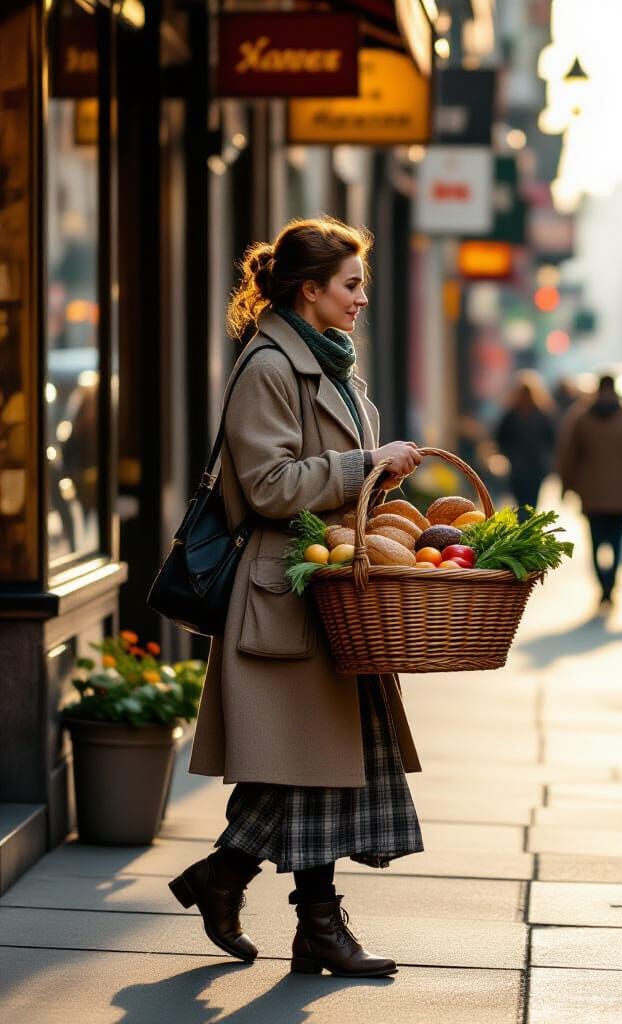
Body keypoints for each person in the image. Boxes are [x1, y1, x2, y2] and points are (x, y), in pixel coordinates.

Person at [173, 216, 425, 979]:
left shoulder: (333, 362)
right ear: (308, 289)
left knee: (318, 764)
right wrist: (362, 465)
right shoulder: (269, 367)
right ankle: (297, 916)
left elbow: (336, 476)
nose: (361, 299)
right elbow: (268, 486)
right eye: (350, 285)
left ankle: (249, 891)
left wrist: (378, 476)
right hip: (285, 591)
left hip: (329, 588)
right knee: (308, 765)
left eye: (363, 286)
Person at [556, 374, 622, 606]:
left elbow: (568, 456)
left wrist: (567, 485)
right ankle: (609, 585)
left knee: (596, 541)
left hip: (591, 494)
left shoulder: (581, 418)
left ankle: (605, 586)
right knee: (616, 542)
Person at [495, 370, 556, 514]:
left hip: (536, 467)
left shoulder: (541, 415)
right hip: (517, 468)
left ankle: (528, 527)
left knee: (532, 502)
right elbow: (500, 438)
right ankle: (525, 527)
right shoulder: (510, 416)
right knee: (520, 503)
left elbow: (551, 439)